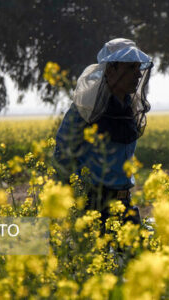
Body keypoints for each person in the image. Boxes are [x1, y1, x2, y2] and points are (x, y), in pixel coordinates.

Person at [53, 38, 153, 229]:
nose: (138, 75)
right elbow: (62, 156)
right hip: (93, 205)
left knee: (139, 256)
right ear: (111, 70)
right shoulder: (85, 110)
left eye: (139, 68)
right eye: (131, 68)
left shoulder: (129, 109)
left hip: (124, 202)